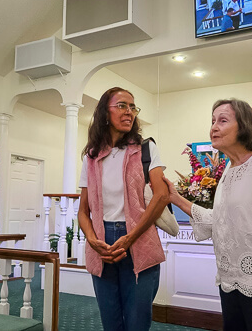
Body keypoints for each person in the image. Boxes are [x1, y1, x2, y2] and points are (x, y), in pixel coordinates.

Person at [164, 99, 252, 330]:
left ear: (244, 126)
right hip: (232, 282)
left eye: (222, 120)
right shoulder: (228, 172)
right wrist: (175, 198)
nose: (213, 127)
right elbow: (219, 221)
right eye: (212, 121)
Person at [77, 87, 170, 331]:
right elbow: (82, 211)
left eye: (132, 107)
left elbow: (161, 196)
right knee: (111, 322)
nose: (129, 112)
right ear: (105, 114)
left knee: (137, 322)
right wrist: (92, 240)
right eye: (122, 106)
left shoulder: (146, 148)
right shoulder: (92, 156)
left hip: (139, 237)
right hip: (102, 243)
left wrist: (130, 238)